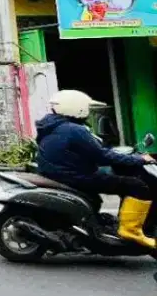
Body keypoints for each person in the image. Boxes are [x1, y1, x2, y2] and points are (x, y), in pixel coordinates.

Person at [36, 89, 157, 249]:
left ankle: (118, 223)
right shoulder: (74, 130)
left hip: (62, 172)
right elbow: (102, 156)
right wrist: (139, 159)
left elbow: (89, 151)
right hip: (76, 176)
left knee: (119, 180)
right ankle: (131, 230)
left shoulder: (52, 125)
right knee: (138, 186)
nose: (88, 113)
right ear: (77, 108)